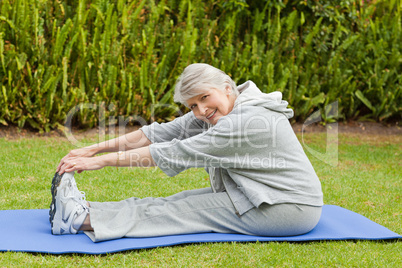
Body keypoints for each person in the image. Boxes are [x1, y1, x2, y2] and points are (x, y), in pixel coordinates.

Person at [50, 63, 323, 242]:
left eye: (205, 98)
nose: (201, 110)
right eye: (193, 105)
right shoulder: (231, 105)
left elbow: (174, 152)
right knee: (177, 201)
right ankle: (87, 210)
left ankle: (77, 220)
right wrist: (94, 148)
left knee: (180, 210)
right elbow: (160, 133)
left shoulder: (244, 122)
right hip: (263, 194)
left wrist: (101, 162)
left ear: (227, 88)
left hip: (285, 208)